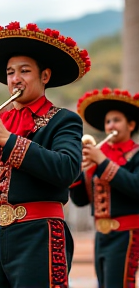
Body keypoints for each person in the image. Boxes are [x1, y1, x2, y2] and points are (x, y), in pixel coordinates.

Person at [0, 21, 91, 287]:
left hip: (40, 233)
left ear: (45, 76)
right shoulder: (0, 122)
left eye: (24, 71)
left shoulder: (63, 120)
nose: (15, 79)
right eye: (10, 72)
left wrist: (5, 139)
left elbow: (66, 169)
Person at [70, 87, 139, 288]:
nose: (110, 126)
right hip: (101, 235)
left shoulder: (135, 155)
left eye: (116, 120)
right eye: (108, 122)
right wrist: (75, 172)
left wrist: (102, 162)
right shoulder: (99, 156)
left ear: (131, 125)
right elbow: (81, 200)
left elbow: (135, 187)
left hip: (127, 233)